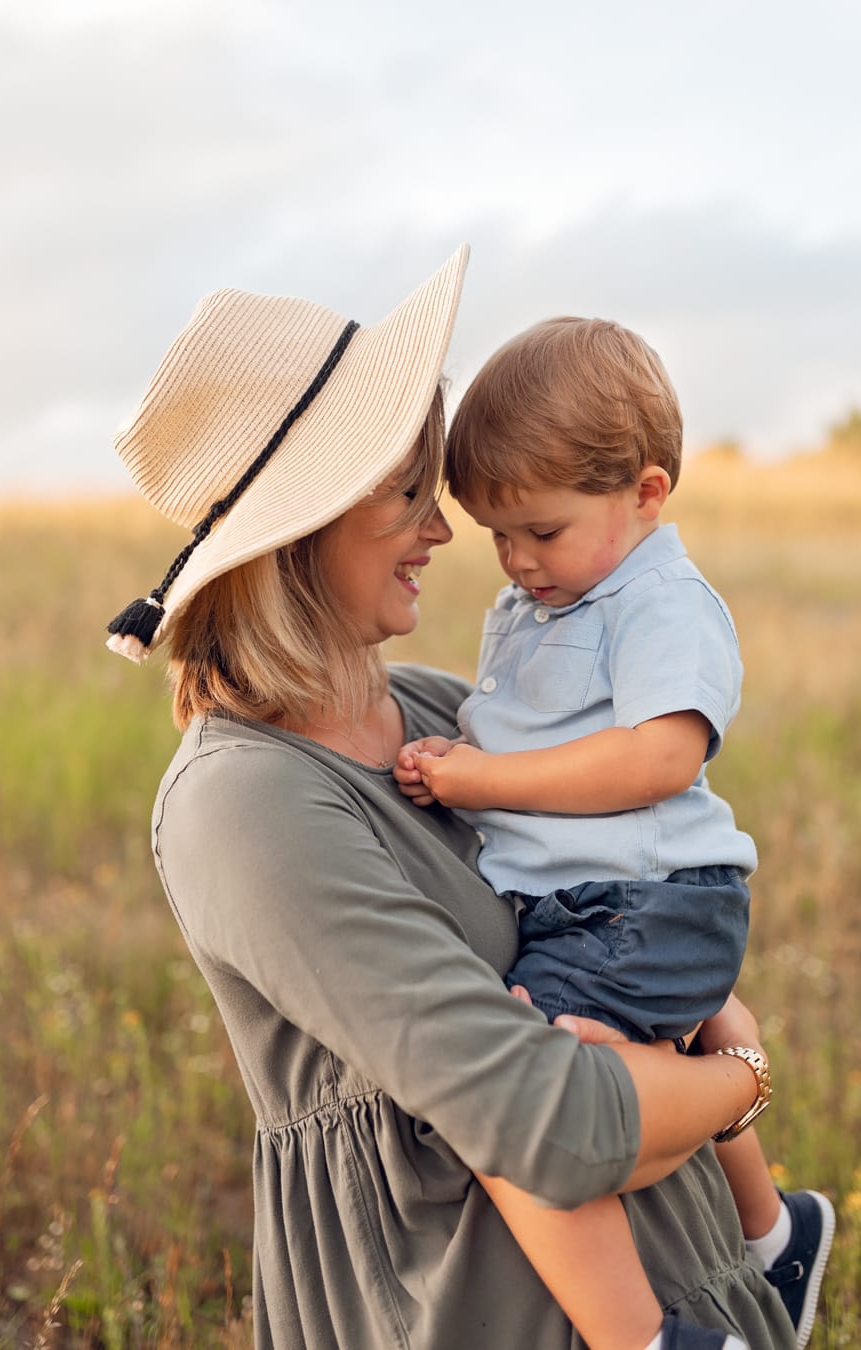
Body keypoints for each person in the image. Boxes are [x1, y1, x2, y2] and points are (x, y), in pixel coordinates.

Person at [106, 247, 796, 1350]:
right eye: (406, 494)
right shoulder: (243, 805)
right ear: (301, 529)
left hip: (692, 1276)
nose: (441, 531)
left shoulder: (436, 711)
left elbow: (624, 897)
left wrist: (680, 1082)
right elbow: (555, 1126)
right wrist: (739, 1078)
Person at [394, 315, 835, 1350]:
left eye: (540, 532)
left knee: (521, 1103)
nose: (514, 560)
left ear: (645, 493)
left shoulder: (661, 602)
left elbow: (658, 759)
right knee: (565, 1080)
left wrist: (480, 778)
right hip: (594, 902)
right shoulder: (551, 595)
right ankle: (774, 1238)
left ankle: (647, 1339)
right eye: (496, 534)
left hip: (641, 902)